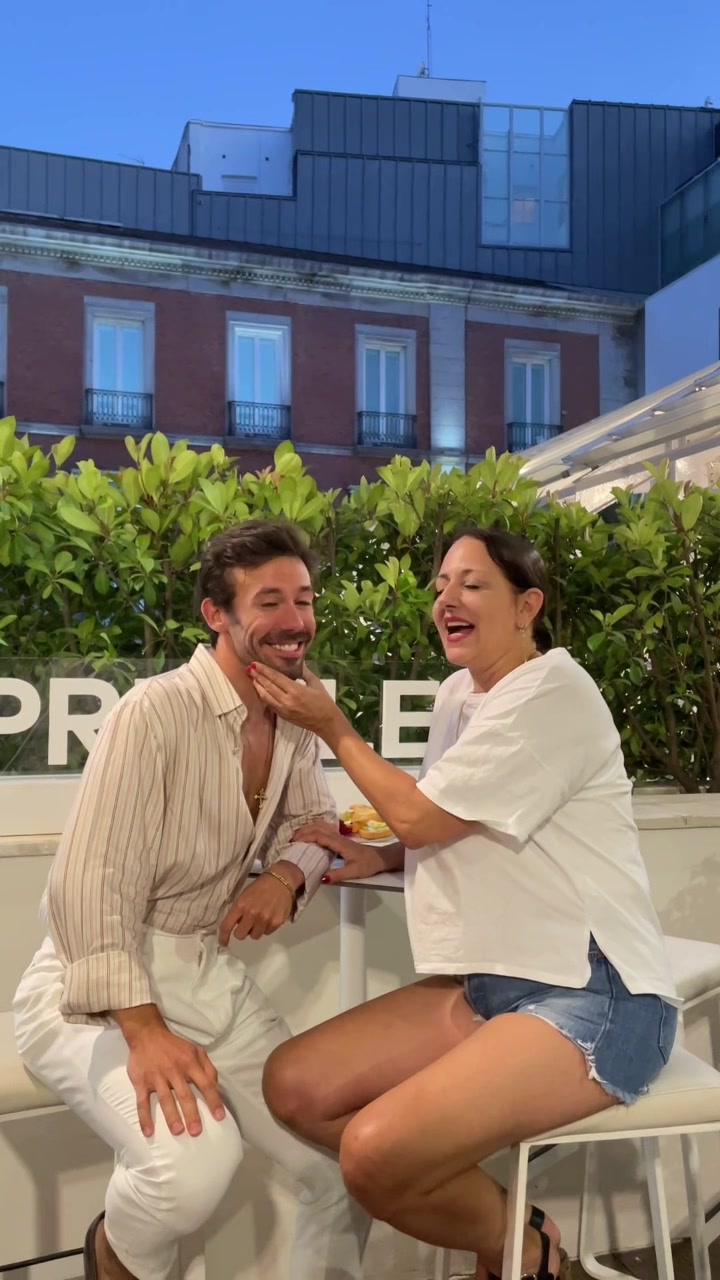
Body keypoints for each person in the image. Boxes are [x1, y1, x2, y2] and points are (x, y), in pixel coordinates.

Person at [247, 527, 679, 1280]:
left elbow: (420, 815)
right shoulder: (458, 694)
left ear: (527, 607)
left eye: (473, 585)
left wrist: (333, 728)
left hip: (597, 995)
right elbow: (452, 816)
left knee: (374, 1153)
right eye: (442, 585)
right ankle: (520, 1235)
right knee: (295, 1085)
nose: (448, 599)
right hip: (498, 982)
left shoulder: (554, 693)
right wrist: (383, 855)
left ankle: (528, 1255)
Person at [13, 520, 369, 1280]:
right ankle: (111, 1258)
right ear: (217, 615)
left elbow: (317, 822)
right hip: (94, 991)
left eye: (304, 599)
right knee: (192, 1168)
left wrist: (285, 875)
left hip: (204, 977)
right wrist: (143, 1031)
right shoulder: (155, 710)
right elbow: (88, 883)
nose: (295, 620)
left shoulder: (295, 711)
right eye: (269, 601)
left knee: (345, 1160)